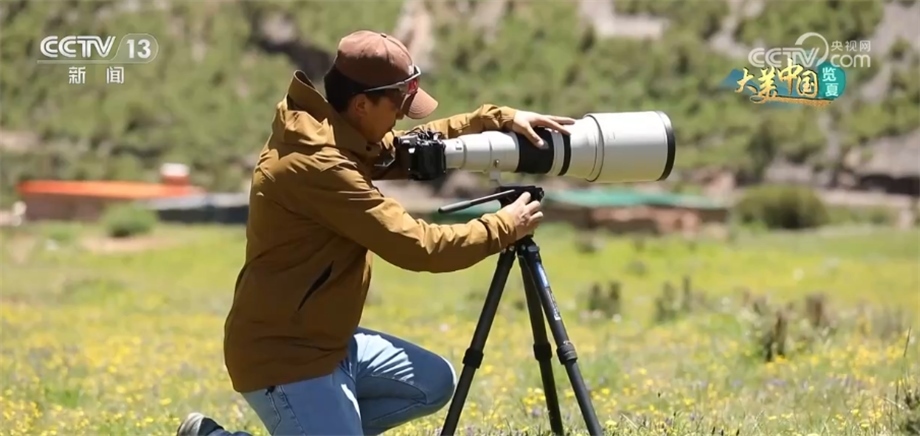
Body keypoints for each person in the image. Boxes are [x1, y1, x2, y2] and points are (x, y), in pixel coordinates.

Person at [176, 29, 575, 436]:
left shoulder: (339, 134)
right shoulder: (321, 165)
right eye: (398, 104)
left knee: (434, 382)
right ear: (362, 104)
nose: (402, 116)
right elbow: (420, 247)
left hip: (329, 343)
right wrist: (503, 226)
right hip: (285, 357)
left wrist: (497, 119)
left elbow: (417, 148)